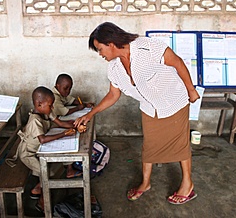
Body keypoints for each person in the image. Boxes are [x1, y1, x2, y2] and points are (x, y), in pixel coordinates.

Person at [74, 22, 200, 205]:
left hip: (173, 100)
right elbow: (113, 94)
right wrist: (90, 114)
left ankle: (187, 185)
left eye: (100, 49)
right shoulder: (114, 67)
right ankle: (145, 183)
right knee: (149, 146)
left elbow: (177, 63)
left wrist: (191, 90)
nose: (100, 54)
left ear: (110, 43)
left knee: (179, 143)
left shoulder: (148, 47)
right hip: (150, 107)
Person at [16, 86, 78, 212]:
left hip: (40, 150)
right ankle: (42, 203)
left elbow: (60, 123)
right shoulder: (35, 120)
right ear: (39, 104)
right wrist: (64, 134)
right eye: (50, 105)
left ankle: (37, 188)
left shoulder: (46, 111)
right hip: (29, 154)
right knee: (47, 173)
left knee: (54, 167)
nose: (52, 108)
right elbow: (43, 139)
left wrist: (75, 126)